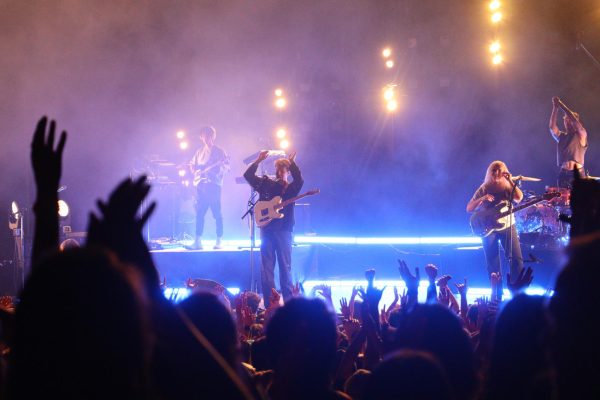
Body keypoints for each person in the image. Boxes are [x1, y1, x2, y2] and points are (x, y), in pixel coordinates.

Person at [243, 150, 303, 306]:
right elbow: (248, 176)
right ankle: (271, 304)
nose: (281, 172)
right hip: (268, 230)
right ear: (276, 171)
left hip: (283, 231)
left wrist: (292, 163)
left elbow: (300, 180)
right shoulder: (265, 184)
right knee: (269, 267)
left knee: (283, 267)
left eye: (284, 169)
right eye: (280, 169)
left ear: (287, 172)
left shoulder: (290, 188)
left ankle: (286, 303)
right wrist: (258, 160)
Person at [467, 161, 524, 294]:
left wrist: (510, 180)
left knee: (516, 259)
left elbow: (519, 198)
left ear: (504, 171)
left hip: (508, 225)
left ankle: (517, 293)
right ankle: (496, 295)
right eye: (494, 171)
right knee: (492, 264)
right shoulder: (485, 187)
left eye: (499, 170)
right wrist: (483, 198)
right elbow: (469, 207)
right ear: (489, 172)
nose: (496, 173)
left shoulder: (508, 185)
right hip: (488, 228)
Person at [189, 126, 229, 250]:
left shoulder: (220, 152)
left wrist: (217, 171)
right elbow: (192, 163)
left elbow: (226, 167)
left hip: (214, 185)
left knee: (216, 212)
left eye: (208, 135)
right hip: (201, 185)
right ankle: (198, 241)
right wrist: (195, 171)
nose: (206, 138)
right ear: (201, 137)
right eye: (204, 136)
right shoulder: (199, 151)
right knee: (200, 213)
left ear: (213, 136)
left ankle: (219, 240)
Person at [549, 96, 588, 187]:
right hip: (563, 174)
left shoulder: (581, 134)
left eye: (569, 120)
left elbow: (574, 120)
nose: (567, 122)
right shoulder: (562, 136)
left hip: (577, 174)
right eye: (565, 120)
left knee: (579, 200)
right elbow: (552, 128)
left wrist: (561, 105)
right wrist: (555, 108)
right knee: (562, 200)